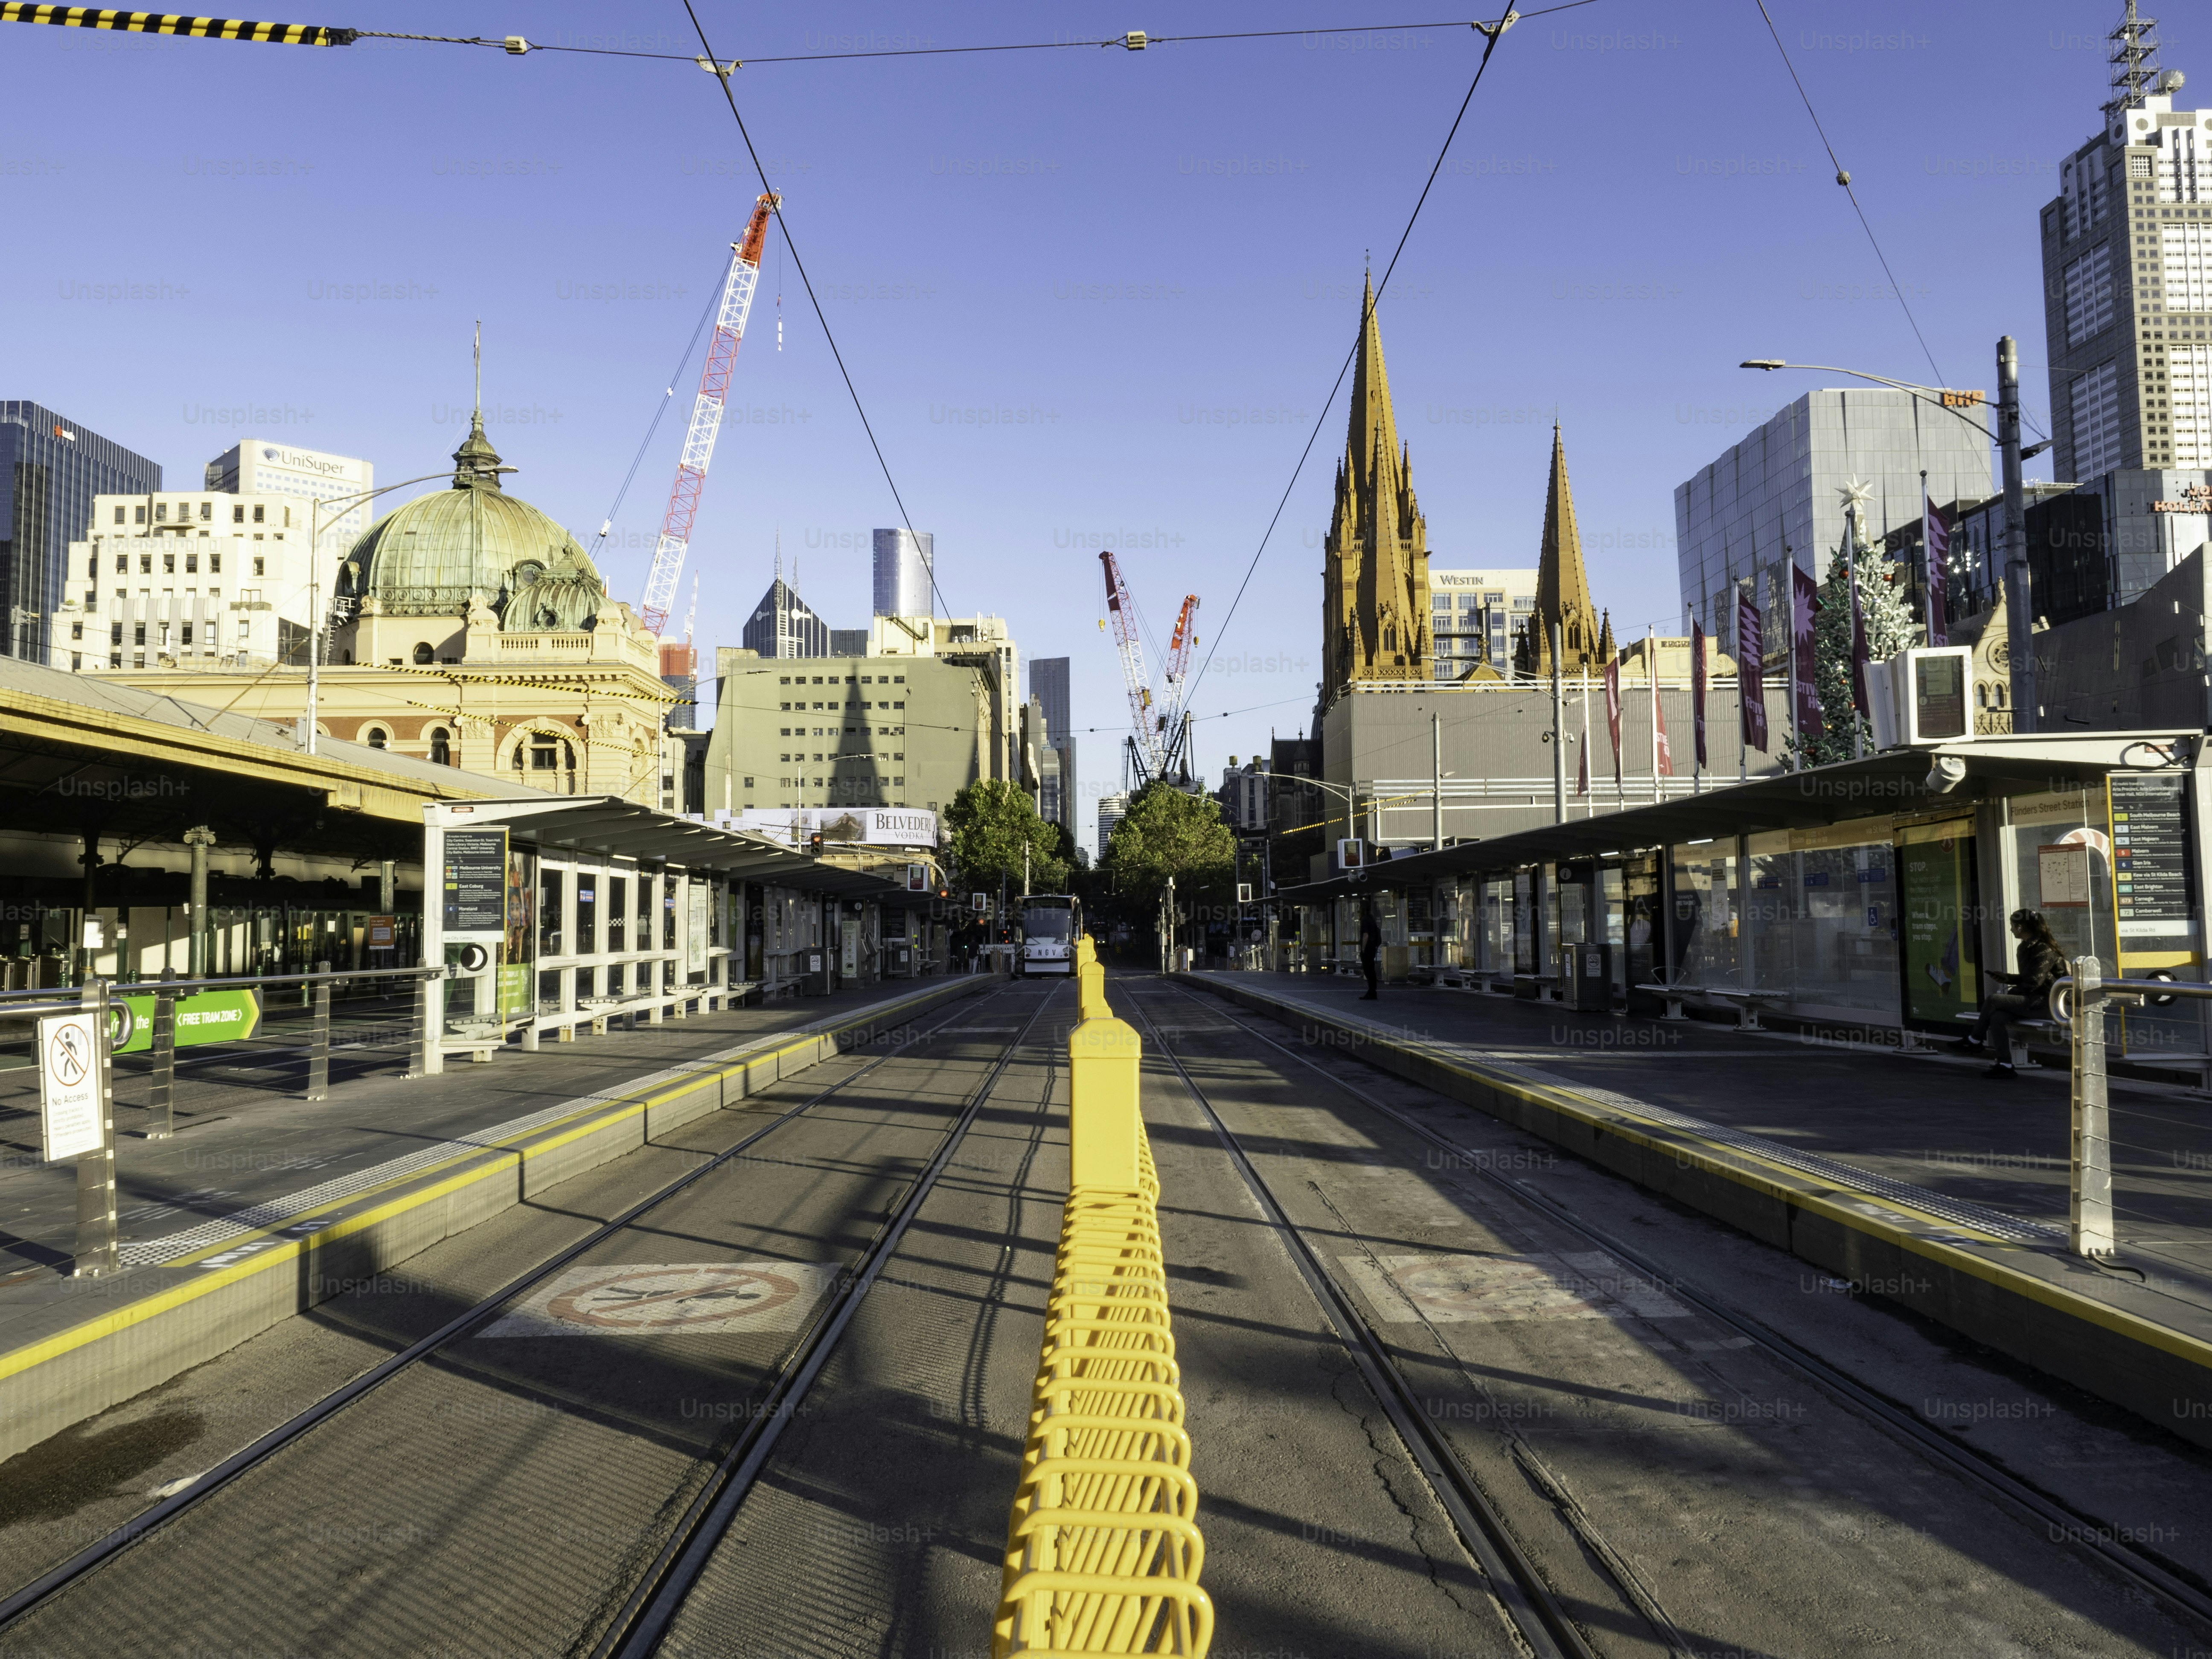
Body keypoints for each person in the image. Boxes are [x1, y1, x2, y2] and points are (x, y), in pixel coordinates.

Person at [1957, 908, 2066, 1080]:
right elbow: (2028, 978)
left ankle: (1975, 1040)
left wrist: (2012, 992)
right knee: (1997, 1018)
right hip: (2033, 1001)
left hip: (2048, 1003)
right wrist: (2007, 978)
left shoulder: (2044, 950)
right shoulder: (2026, 947)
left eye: (2013, 926)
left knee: (1994, 1000)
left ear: (2021, 928)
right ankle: (2005, 1065)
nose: (2011, 930)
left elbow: (2034, 983)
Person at [1358, 897, 1382, 1000]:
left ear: (1363, 908)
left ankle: (1372, 992)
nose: (1358, 908)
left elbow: (1366, 935)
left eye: (1359, 906)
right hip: (1373, 948)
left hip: (1368, 949)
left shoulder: (1364, 920)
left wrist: (1363, 949)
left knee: (1368, 971)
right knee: (1371, 970)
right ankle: (1373, 991)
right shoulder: (1371, 919)